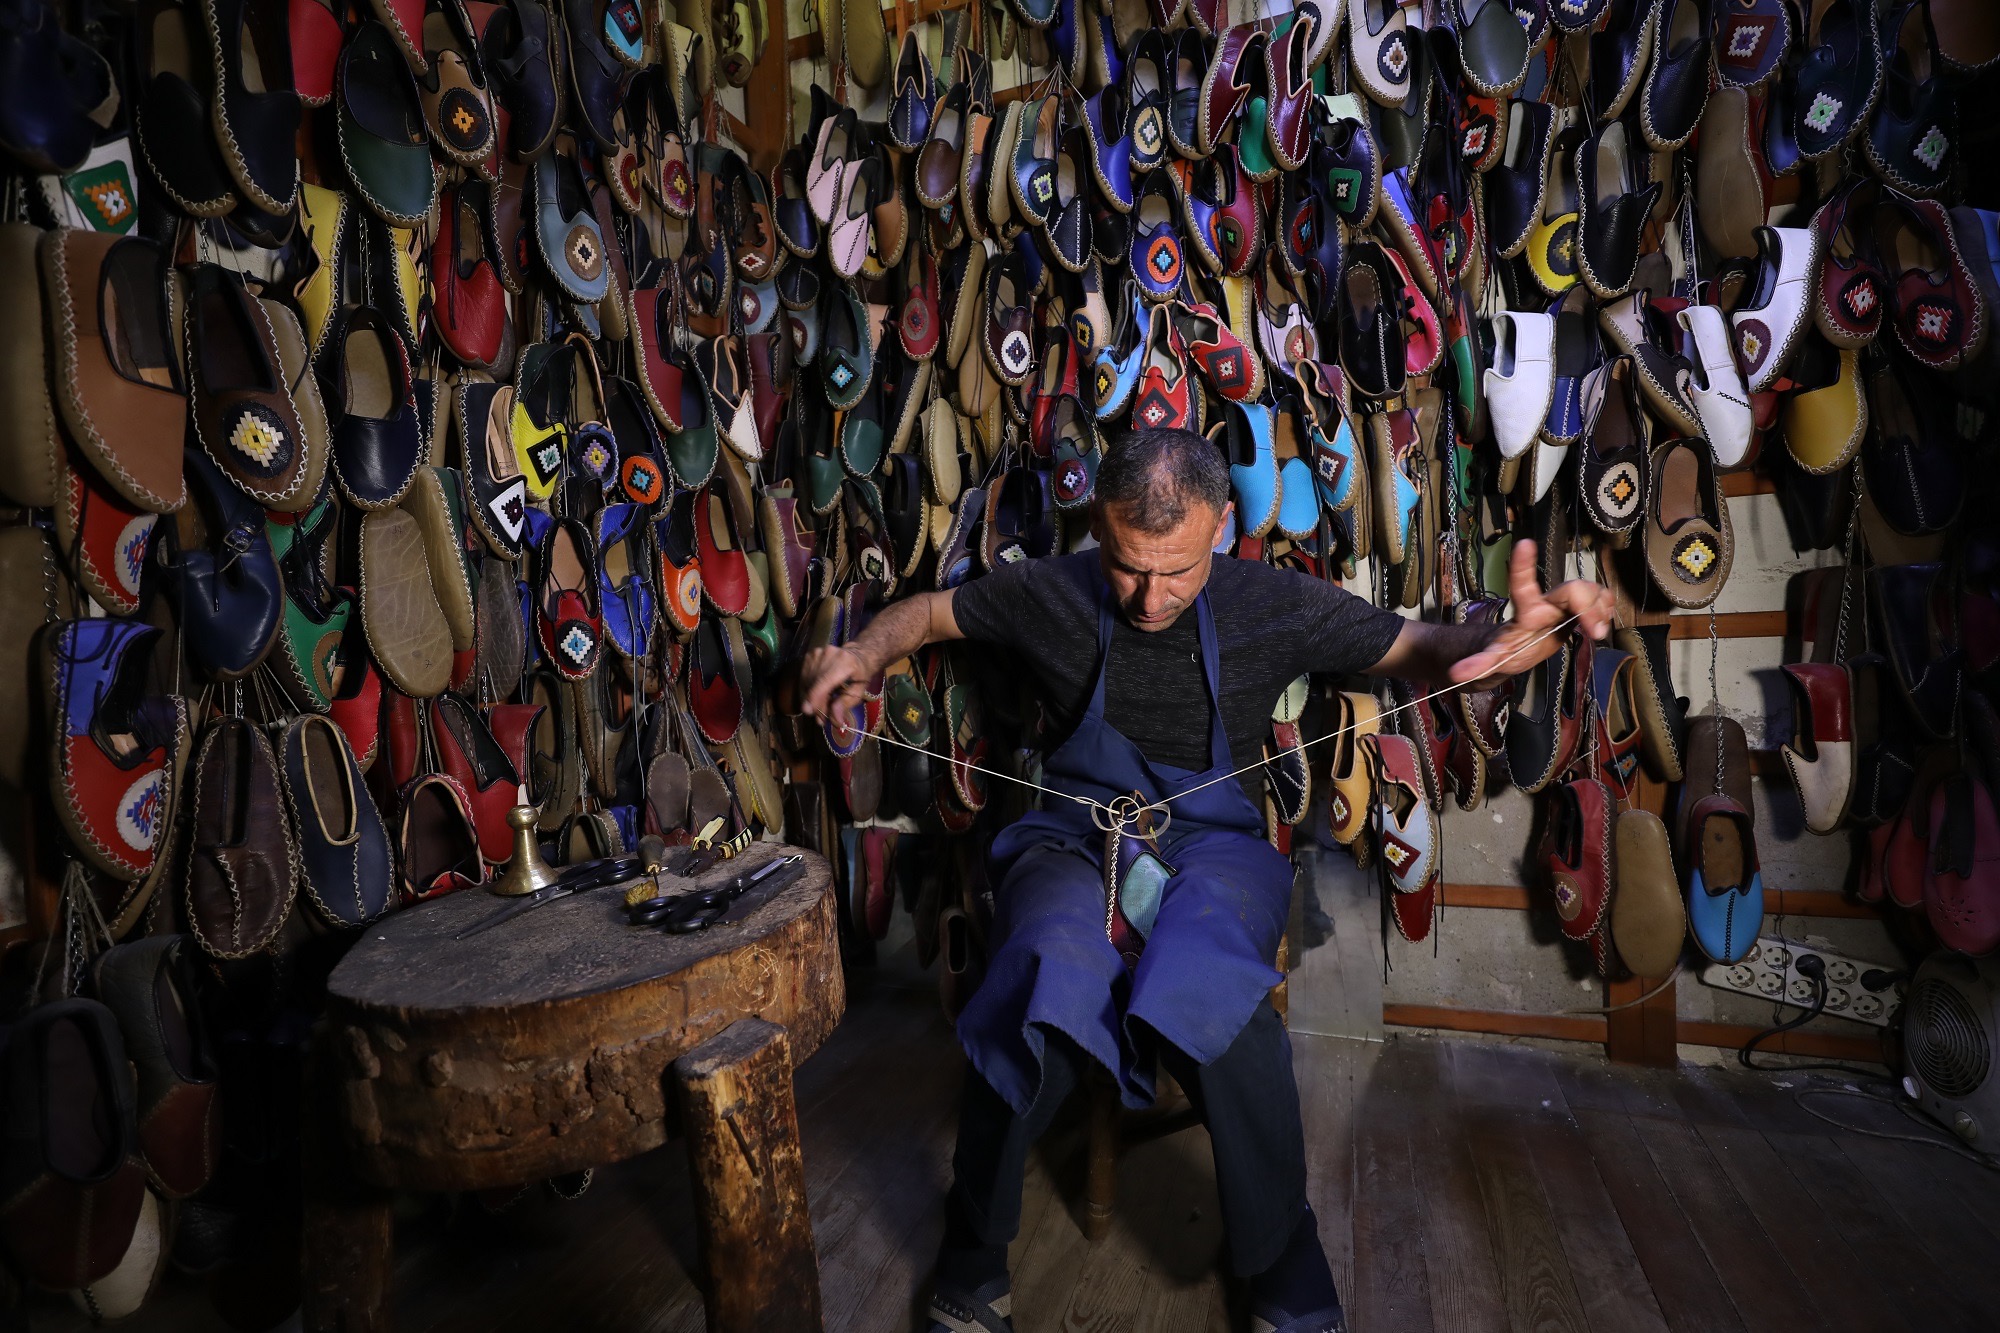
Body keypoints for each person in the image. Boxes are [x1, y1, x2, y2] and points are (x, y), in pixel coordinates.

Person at [799, 428, 1614, 1333]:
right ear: (1097, 526)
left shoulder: (1271, 603)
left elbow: (1421, 644)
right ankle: (974, 1243)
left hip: (1213, 845)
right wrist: (861, 654)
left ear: (1223, 525)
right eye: (1126, 565)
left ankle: (1281, 1249)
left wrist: (1500, 642)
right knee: (1041, 978)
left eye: (1176, 570)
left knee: (1217, 990)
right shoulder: (1051, 590)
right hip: (1074, 836)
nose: (1149, 598)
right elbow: (927, 614)